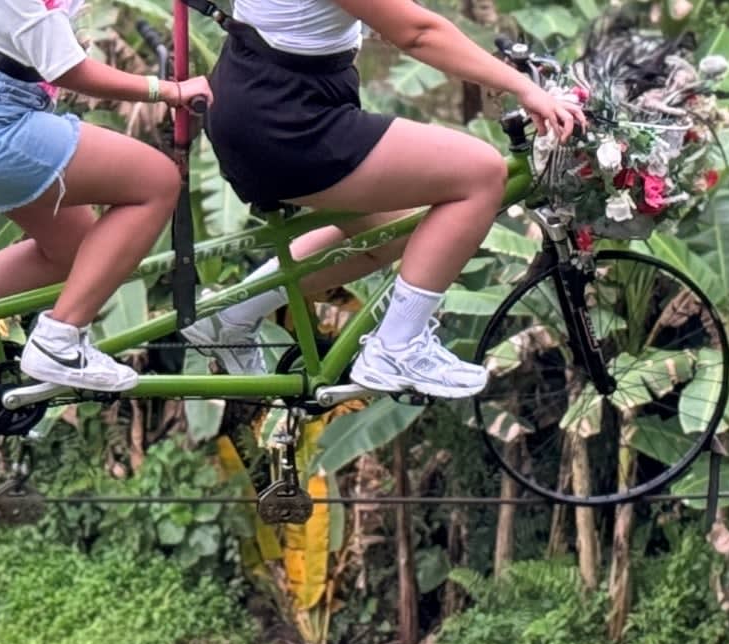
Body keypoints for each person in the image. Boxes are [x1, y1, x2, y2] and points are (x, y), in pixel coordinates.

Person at [179, 0, 584, 398]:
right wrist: (524, 88)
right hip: (284, 120)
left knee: (392, 232)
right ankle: (397, 347)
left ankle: (231, 316)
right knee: (481, 173)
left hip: (266, 99)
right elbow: (418, 33)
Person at [0, 0, 214, 391]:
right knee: (157, 181)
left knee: (72, 252)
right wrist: (166, 91)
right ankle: (59, 342)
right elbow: (67, 69)